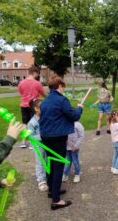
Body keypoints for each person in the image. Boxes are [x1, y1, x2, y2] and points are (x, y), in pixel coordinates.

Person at [39, 75, 83, 210]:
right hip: (57, 137)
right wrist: (80, 108)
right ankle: (56, 201)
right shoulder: (61, 99)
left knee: (51, 163)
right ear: (59, 86)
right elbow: (74, 116)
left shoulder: (45, 100)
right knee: (58, 166)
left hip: (45, 136)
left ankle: (53, 191)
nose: (63, 89)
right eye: (63, 86)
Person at [18, 65, 46, 148]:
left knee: (25, 123)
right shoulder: (37, 83)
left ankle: (23, 142)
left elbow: (21, 92)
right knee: (33, 123)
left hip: (23, 105)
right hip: (33, 106)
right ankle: (31, 143)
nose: (37, 75)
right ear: (34, 73)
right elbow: (44, 94)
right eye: (37, 74)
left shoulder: (21, 82)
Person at [27, 99, 48, 192]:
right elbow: (30, 136)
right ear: (36, 109)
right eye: (43, 108)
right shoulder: (32, 123)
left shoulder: (47, 117)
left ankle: (48, 176)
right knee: (40, 162)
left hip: (48, 143)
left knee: (48, 159)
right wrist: (42, 137)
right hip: (38, 145)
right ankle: (41, 180)